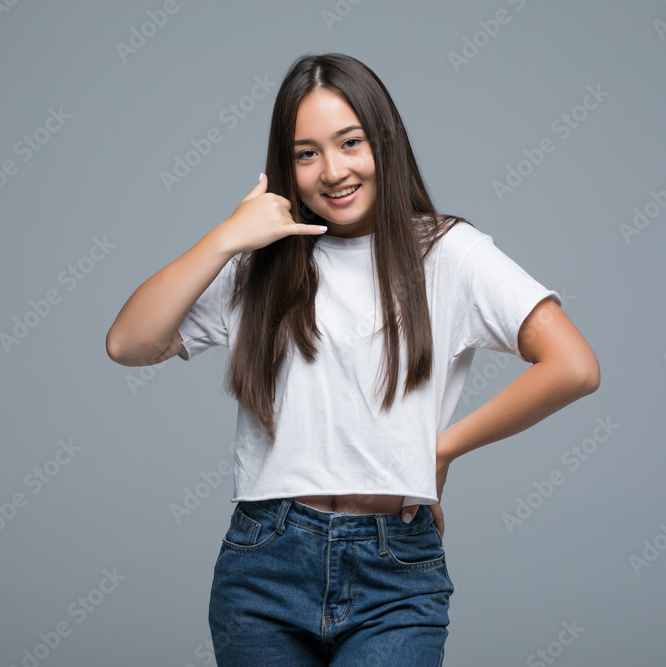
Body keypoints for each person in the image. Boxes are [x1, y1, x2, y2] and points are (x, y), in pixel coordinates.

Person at [106, 52, 599, 666]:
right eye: (306, 153)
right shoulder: (260, 264)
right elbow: (129, 344)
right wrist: (226, 237)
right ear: (285, 166)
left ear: (384, 142)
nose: (332, 170)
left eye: (350, 142)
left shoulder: (448, 253)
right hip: (264, 564)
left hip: (394, 570)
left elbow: (573, 365)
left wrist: (439, 450)